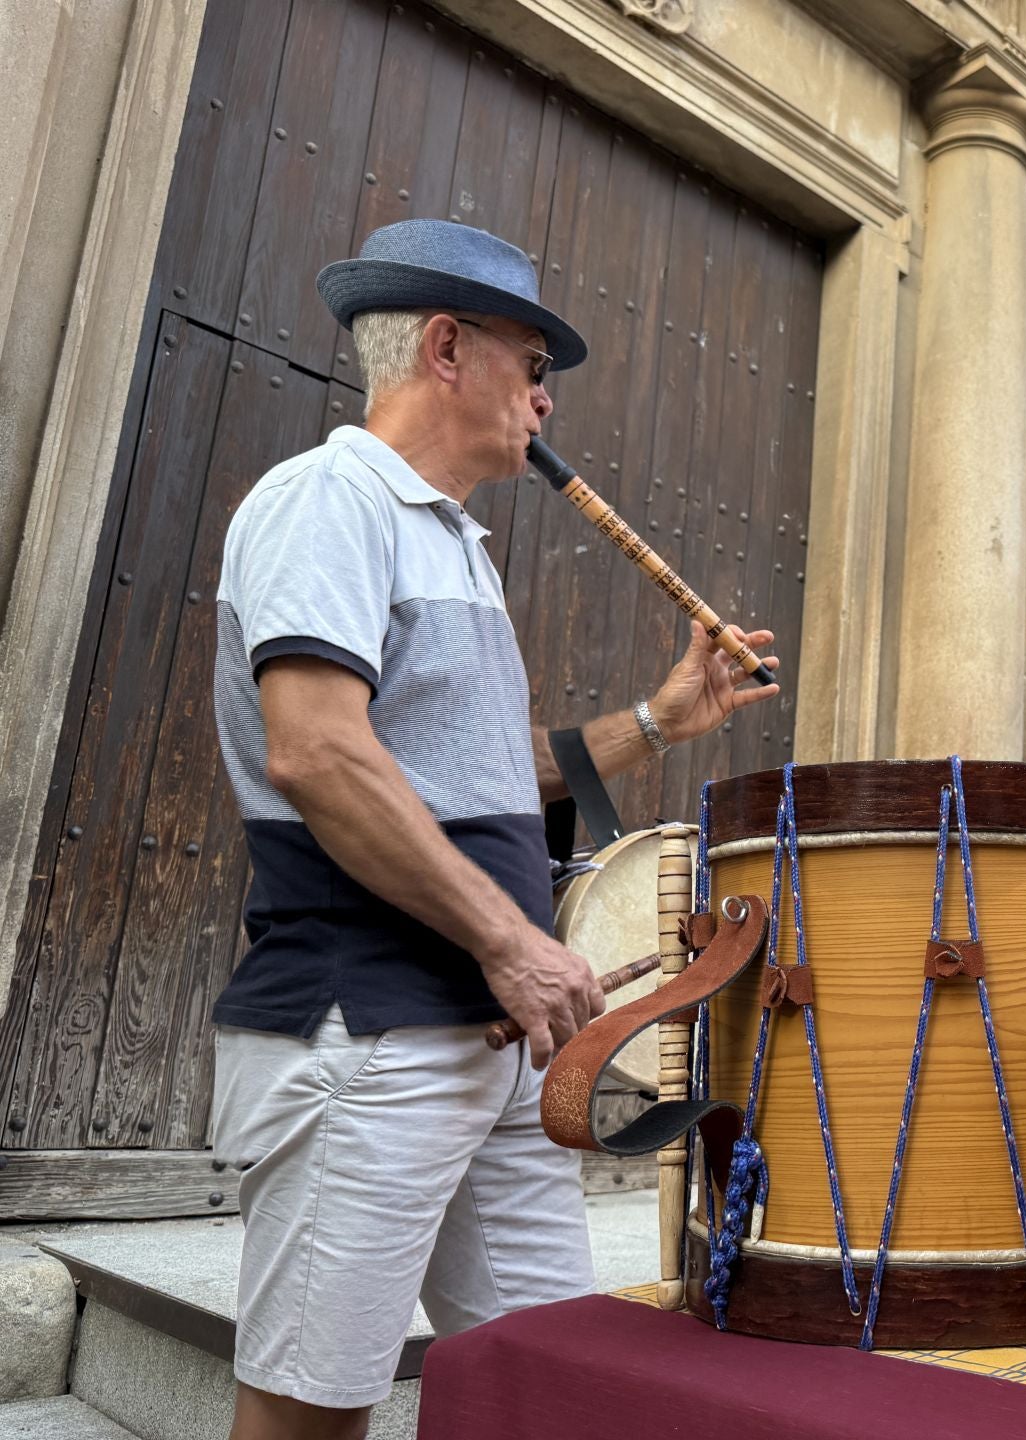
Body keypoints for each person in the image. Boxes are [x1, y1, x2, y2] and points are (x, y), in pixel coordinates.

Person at [208, 218, 780, 1440]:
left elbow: (470, 777)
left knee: (543, 1379)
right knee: (312, 1405)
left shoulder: (453, 542)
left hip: (486, 1044)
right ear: (449, 348)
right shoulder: (328, 500)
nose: (546, 398)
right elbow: (319, 749)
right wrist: (512, 942)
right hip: (370, 1033)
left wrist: (658, 721)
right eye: (535, 364)